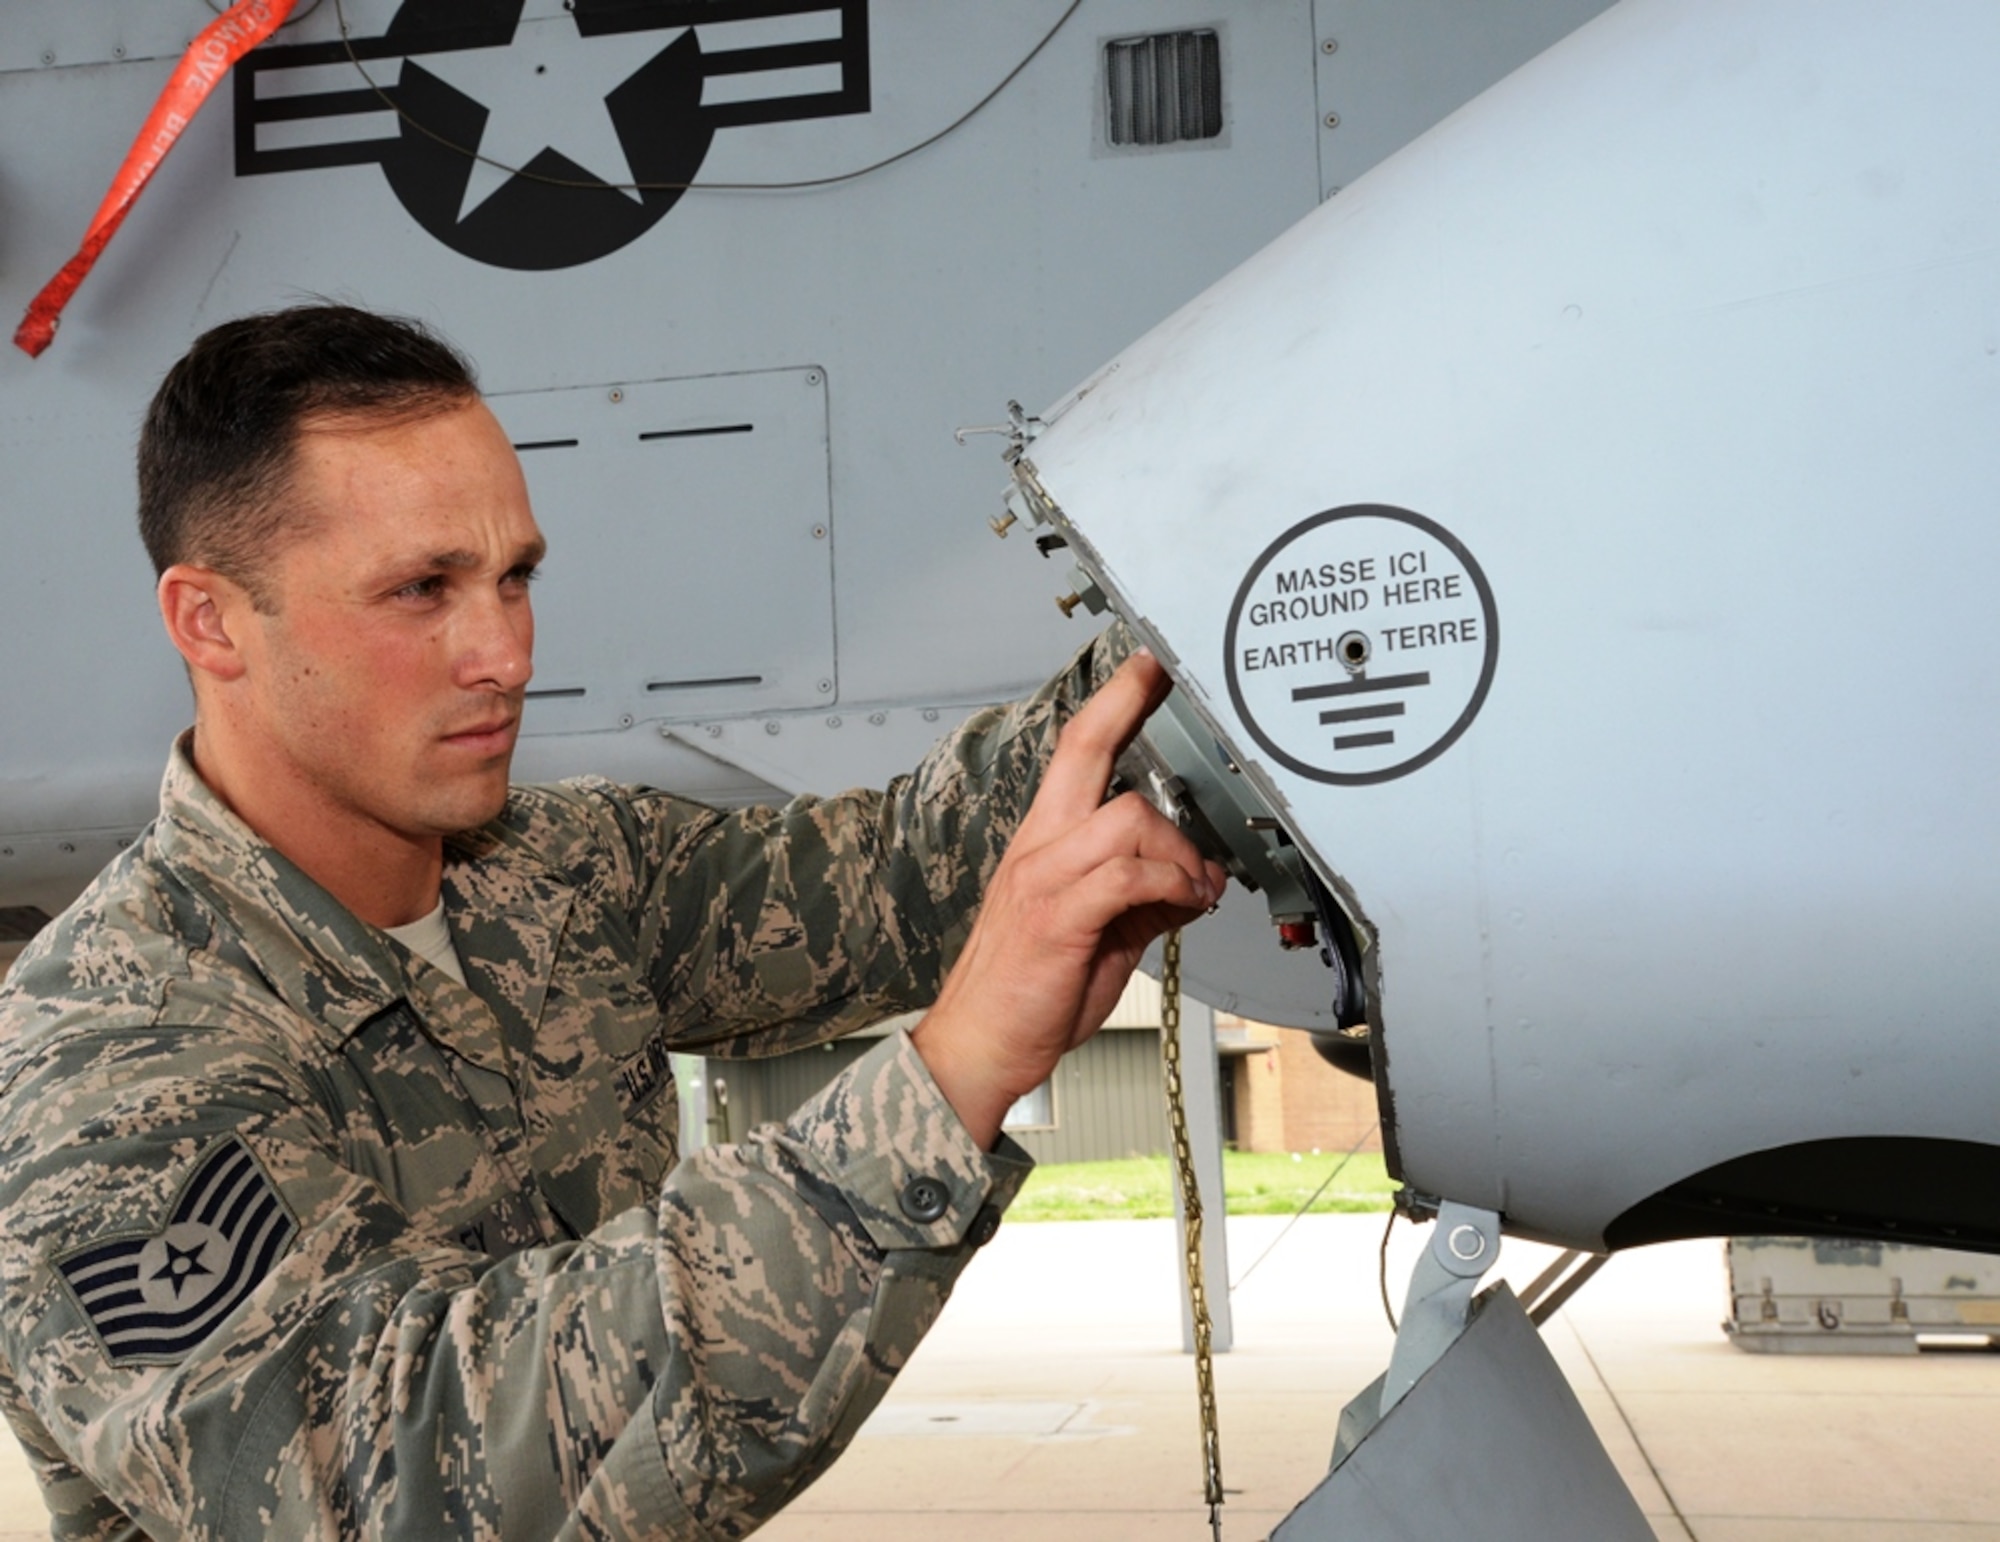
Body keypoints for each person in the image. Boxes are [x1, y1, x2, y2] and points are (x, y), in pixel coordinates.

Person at [0, 306, 1225, 1540]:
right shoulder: (100, 1057)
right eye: (421, 589)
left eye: (514, 577)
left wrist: (1208, 673)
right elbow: (406, 1478)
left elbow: (905, 871)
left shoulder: (563, 868)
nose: (504, 654)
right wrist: (945, 1081)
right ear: (211, 622)